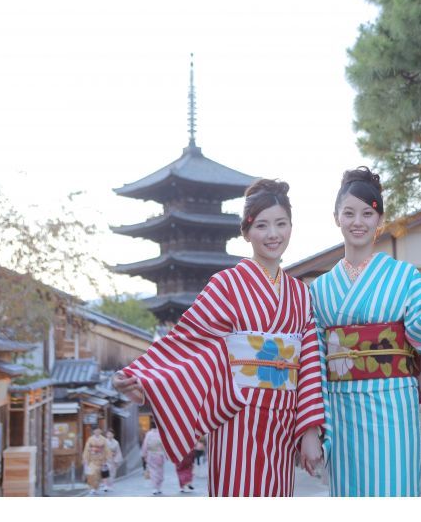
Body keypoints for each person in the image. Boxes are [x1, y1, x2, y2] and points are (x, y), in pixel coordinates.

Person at [113, 179, 325, 496]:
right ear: (246, 231)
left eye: (281, 224)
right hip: (238, 414)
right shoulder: (226, 284)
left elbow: (308, 363)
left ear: (291, 227)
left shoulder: (301, 294)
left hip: (282, 416)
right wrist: (143, 377)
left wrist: (309, 430)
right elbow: (189, 341)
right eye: (262, 225)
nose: (273, 235)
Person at [310, 167, 421, 496]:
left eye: (367, 213)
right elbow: (314, 356)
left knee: (394, 489)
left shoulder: (404, 276)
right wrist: (316, 424)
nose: (357, 222)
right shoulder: (320, 290)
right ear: (336, 217)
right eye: (348, 213)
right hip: (341, 407)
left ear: (379, 219)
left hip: (393, 404)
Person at [82, 427, 111, 496]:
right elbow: (87, 449)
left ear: (100, 431)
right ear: (93, 431)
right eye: (96, 431)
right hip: (92, 459)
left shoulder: (103, 439)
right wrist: (85, 458)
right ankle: (91, 488)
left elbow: (106, 449)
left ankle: (95, 488)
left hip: (101, 459)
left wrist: (107, 458)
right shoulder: (90, 439)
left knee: (98, 476)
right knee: (91, 474)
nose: (97, 432)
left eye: (98, 430)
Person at [141, 421, 166, 495]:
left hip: (151, 454)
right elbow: (165, 445)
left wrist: (144, 454)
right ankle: (159, 487)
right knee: (160, 471)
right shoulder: (161, 434)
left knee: (153, 471)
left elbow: (145, 445)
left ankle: (155, 488)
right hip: (160, 455)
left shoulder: (148, 434)